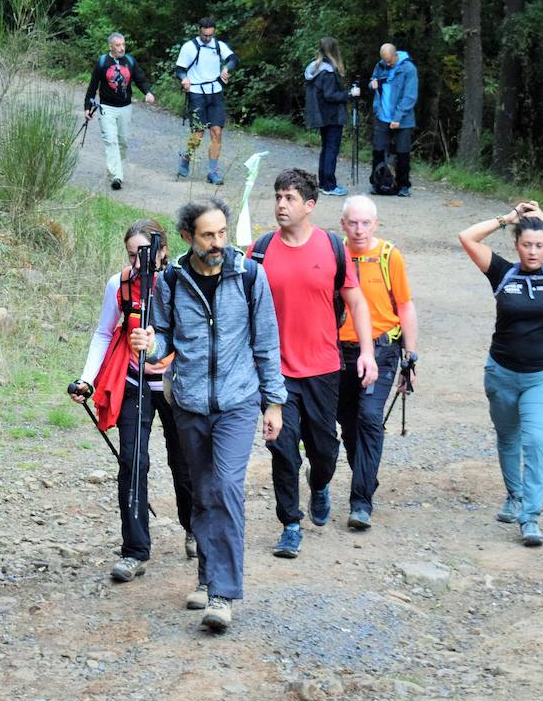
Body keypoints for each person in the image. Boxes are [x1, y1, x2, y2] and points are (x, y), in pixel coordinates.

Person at [128, 197, 285, 632]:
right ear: (187, 237)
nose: (217, 243)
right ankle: (207, 575)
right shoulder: (171, 282)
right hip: (191, 403)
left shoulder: (250, 275)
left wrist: (274, 403)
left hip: (237, 403)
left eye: (221, 233)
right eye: (207, 235)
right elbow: (162, 339)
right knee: (201, 491)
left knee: (227, 487)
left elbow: (266, 344)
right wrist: (148, 344)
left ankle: (222, 594)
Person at [250, 169, 377, 558]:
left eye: (289, 198)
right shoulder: (260, 249)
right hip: (275, 372)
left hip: (323, 367)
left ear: (310, 206)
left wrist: (368, 353)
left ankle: (319, 483)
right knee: (282, 447)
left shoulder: (332, 247)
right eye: (277, 196)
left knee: (325, 449)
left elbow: (355, 302)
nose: (280, 205)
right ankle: (290, 522)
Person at [459, 200, 543, 547]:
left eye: (539, 245)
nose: (533, 252)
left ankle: (530, 516)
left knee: (535, 441)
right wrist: (507, 218)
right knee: (508, 438)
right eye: (526, 245)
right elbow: (467, 237)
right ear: (517, 245)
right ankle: (515, 495)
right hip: (501, 372)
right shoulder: (503, 272)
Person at [72, 219, 195, 582]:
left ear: (164, 250)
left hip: (175, 384)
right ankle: (134, 551)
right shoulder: (120, 284)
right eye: (131, 255)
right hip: (132, 380)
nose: (138, 263)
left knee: (184, 463)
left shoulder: (179, 280)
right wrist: (86, 379)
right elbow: (103, 332)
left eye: (146, 253)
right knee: (132, 463)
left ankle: (194, 528)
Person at [337, 195, 418, 530]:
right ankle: (366, 476)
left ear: (376, 224)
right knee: (348, 422)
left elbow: (405, 305)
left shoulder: (388, 256)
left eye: (365, 223)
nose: (359, 229)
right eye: (352, 223)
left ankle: (361, 503)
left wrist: (410, 357)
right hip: (339, 351)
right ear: (343, 224)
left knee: (369, 418)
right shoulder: (334, 253)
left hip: (383, 351)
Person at [84, 33, 156, 191]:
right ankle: (116, 176)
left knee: (122, 142)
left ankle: (115, 168)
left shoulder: (130, 61)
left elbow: (140, 79)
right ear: (111, 46)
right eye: (118, 45)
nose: (122, 48)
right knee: (111, 141)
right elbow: (92, 86)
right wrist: (87, 107)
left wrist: (148, 93)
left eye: (123, 44)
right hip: (106, 108)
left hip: (125, 107)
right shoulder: (103, 62)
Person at [174, 18, 239, 184]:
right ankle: (186, 157)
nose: (207, 38)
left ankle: (213, 172)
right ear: (199, 31)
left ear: (214, 32)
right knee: (198, 133)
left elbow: (233, 59)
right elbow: (180, 69)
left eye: (210, 35)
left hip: (215, 92)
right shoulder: (189, 47)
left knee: (217, 132)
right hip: (196, 92)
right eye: (204, 35)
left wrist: (226, 68)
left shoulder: (218, 45)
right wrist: (184, 79)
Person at [303, 37, 361, 197]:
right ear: (334, 50)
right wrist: (349, 94)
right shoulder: (328, 71)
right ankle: (329, 185)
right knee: (331, 149)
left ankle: (324, 183)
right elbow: (330, 95)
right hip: (332, 116)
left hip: (322, 115)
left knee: (326, 148)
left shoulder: (317, 68)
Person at [367, 44, 418, 197]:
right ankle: (378, 182)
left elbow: (410, 96)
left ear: (395, 56)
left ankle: (403, 185)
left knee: (403, 152)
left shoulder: (409, 69)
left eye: (389, 61)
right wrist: (372, 84)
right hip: (382, 115)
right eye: (385, 61)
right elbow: (373, 79)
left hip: (402, 119)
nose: (387, 64)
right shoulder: (381, 65)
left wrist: (398, 117)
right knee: (378, 150)